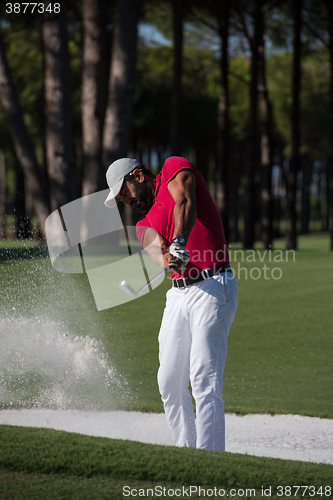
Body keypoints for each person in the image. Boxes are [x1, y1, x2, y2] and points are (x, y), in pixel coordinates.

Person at [104, 156, 238, 451]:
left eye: (123, 192)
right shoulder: (142, 223)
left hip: (213, 286)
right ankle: (185, 450)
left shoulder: (173, 168)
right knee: (169, 381)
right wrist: (166, 255)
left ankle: (209, 457)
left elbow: (185, 201)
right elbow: (156, 249)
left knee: (203, 377)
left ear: (138, 176)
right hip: (178, 294)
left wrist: (179, 241)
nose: (125, 201)